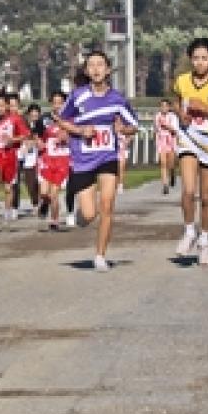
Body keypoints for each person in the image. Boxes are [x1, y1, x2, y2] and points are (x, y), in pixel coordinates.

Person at [54, 51, 139, 272]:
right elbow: (60, 120)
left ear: (108, 70)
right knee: (89, 214)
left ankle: (100, 255)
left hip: (107, 157)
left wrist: (123, 129)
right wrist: (81, 130)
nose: (96, 69)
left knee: (107, 205)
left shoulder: (117, 99)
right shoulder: (78, 95)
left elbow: (134, 125)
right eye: (91, 65)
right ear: (86, 71)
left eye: (100, 65)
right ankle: (81, 216)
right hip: (83, 159)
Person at [170, 37, 208, 266]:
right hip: (188, 140)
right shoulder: (183, 81)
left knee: (206, 196)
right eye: (195, 58)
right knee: (188, 191)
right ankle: (189, 231)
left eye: (204, 58)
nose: (199, 63)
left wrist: (205, 109)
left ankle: (205, 241)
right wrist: (181, 114)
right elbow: (175, 102)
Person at [0, 90, 30, 224]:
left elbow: (25, 135)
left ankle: (7, 212)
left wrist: (13, 139)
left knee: (8, 188)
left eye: (2, 105)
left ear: (7, 105)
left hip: (10, 155)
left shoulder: (15, 118)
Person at [37, 91, 72, 230]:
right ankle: (45, 203)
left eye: (60, 102)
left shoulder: (70, 118)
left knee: (54, 193)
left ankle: (54, 220)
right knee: (44, 193)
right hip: (47, 159)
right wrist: (39, 142)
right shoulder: (45, 118)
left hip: (62, 160)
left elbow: (76, 136)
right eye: (55, 102)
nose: (57, 105)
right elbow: (37, 136)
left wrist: (66, 138)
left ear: (65, 103)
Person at [20, 103, 46, 216]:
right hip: (26, 157)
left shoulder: (41, 125)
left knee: (40, 182)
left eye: (37, 113)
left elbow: (42, 139)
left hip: (40, 157)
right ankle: (35, 203)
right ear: (28, 114)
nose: (35, 115)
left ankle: (40, 203)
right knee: (30, 183)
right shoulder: (23, 124)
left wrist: (34, 142)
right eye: (32, 113)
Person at [154, 99, 180, 195]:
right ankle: (165, 185)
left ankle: (173, 173)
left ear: (169, 108)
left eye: (165, 106)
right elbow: (156, 129)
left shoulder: (173, 117)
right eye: (162, 106)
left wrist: (167, 126)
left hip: (171, 141)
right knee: (163, 163)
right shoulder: (157, 116)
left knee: (171, 163)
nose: (163, 108)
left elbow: (175, 130)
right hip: (161, 141)